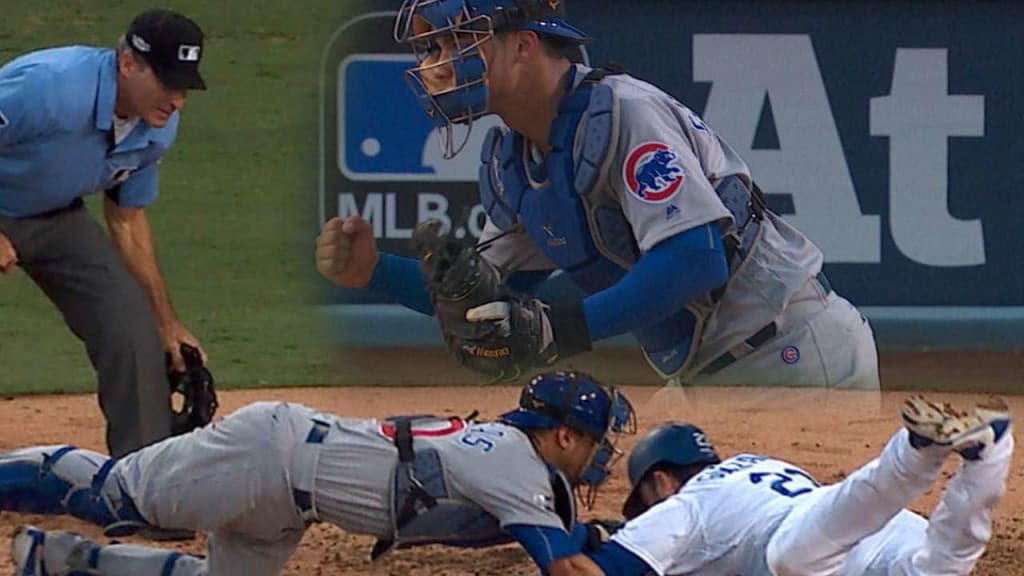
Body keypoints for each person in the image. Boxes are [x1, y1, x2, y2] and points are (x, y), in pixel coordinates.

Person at [314, 0, 878, 390]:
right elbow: (483, 296)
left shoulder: (623, 113)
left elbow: (694, 258)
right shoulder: (516, 160)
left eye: (453, 42)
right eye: (430, 49)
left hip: (789, 353)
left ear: (522, 45)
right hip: (717, 372)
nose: (433, 66)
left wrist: (559, 331)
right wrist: (375, 271)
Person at [2, 371, 636, 576]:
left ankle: (49, 560)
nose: (603, 455)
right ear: (562, 435)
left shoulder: (514, 461)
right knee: (118, 496)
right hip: (268, 458)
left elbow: (572, 540)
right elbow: (563, 565)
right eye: (597, 440)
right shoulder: (514, 468)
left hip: (287, 504)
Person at [0, 8, 209, 457]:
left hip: (53, 217)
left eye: (184, 86)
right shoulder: (50, 88)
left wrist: (166, 323)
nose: (177, 100)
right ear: (128, 63)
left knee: (132, 328)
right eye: (168, 82)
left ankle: (146, 480)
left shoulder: (157, 126)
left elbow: (127, 220)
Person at [573, 396, 1013, 575]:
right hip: (873, 523)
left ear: (662, 481)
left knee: (789, 559)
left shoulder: (686, 506)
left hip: (813, 544)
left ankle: (918, 450)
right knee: (943, 566)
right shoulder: (753, 465)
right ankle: (990, 451)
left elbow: (613, 566)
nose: (645, 513)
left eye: (643, 501)